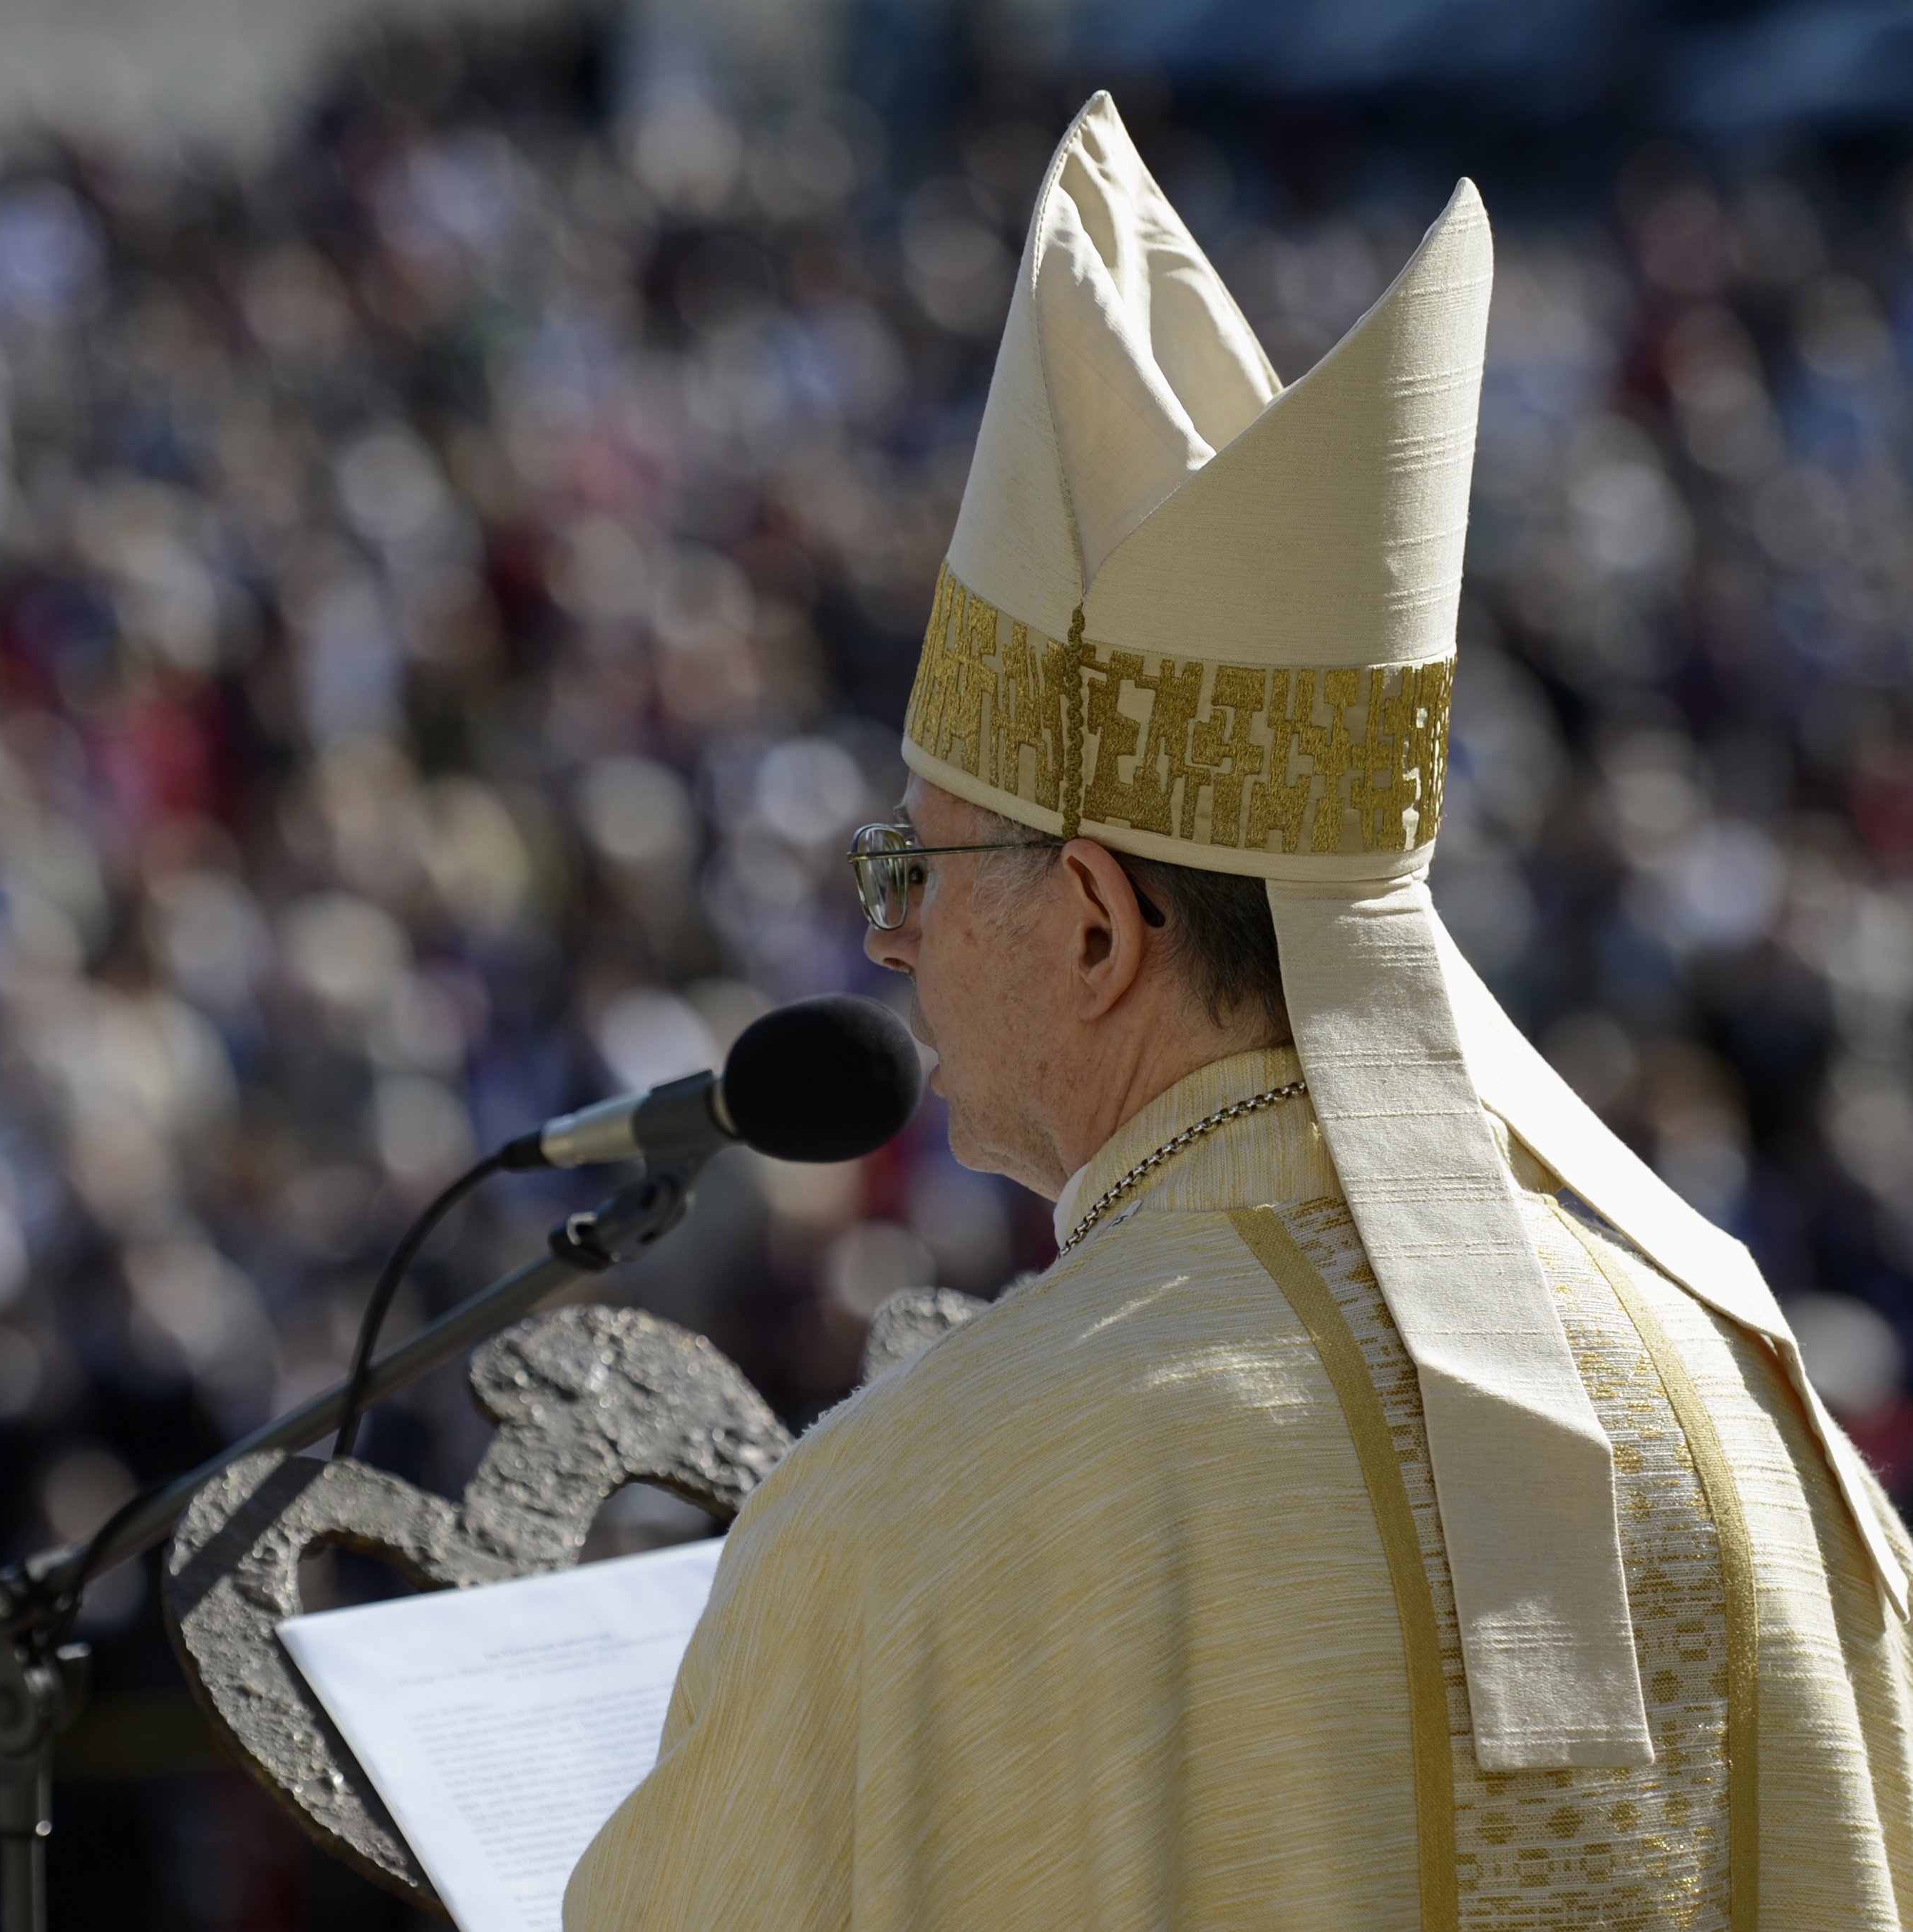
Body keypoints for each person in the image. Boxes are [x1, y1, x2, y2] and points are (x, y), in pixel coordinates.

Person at [565, 93, 1913, 1929]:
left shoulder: (914, 1522)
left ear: (1102, 921)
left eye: (918, 871)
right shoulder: (1754, 1415)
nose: (888, 945)